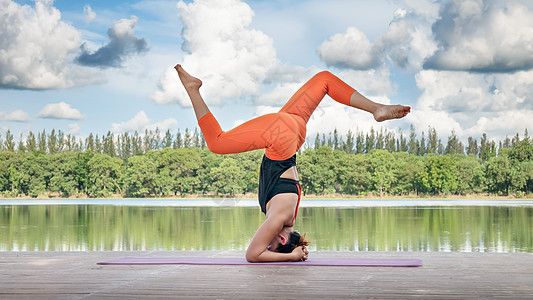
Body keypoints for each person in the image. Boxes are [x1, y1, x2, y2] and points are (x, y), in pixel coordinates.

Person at [174, 64, 410, 262]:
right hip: (281, 135)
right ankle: (193, 89)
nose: (265, 243)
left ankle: (376, 108)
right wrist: (291, 256)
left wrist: (295, 251)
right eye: (271, 246)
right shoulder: (279, 218)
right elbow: (252, 255)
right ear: (282, 239)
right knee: (216, 143)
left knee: (324, 79)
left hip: (294, 130)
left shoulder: (287, 211)